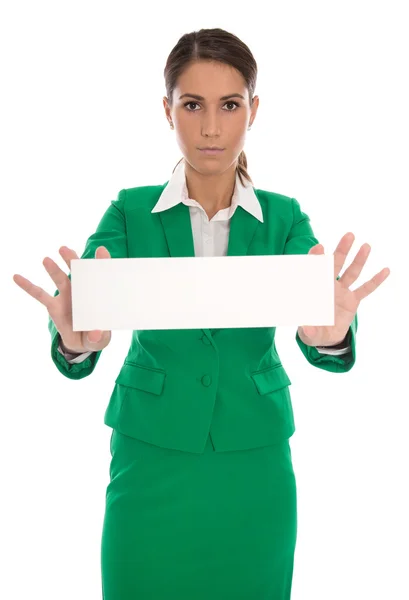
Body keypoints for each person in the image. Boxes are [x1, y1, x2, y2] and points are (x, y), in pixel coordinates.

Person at [13, 27, 390, 600]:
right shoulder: (130, 211)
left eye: (229, 105)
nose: (211, 127)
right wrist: (74, 341)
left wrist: (332, 337)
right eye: (192, 105)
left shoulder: (285, 219)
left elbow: (325, 323)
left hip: (254, 462)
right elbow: (80, 311)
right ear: (167, 111)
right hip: (151, 460)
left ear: (253, 110)